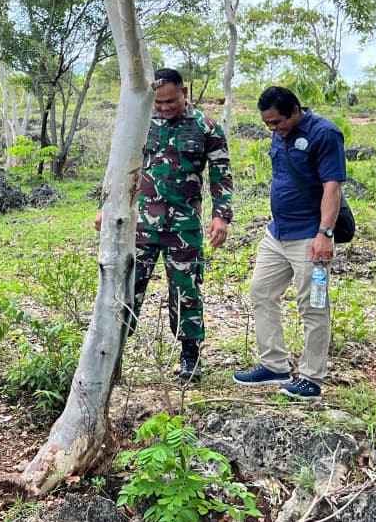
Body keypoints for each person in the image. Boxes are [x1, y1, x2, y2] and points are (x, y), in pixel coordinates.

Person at [100, 68, 233, 380]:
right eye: (158, 102)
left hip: (184, 226)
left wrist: (221, 215)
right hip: (139, 225)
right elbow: (118, 167)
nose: (163, 107)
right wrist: (105, 207)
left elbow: (221, 174)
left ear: (183, 92)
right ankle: (112, 356)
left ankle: (190, 357)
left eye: (170, 101)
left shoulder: (206, 127)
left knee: (187, 290)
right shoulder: (140, 123)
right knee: (126, 287)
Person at [233, 86, 347, 400]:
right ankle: (274, 365)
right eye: (267, 123)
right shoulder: (279, 134)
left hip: (310, 235)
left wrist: (325, 234)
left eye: (277, 122)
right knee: (261, 291)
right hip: (278, 233)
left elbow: (332, 188)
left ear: (295, 111)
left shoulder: (325, 134)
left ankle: (311, 378)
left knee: (313, 305)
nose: (273, 128)